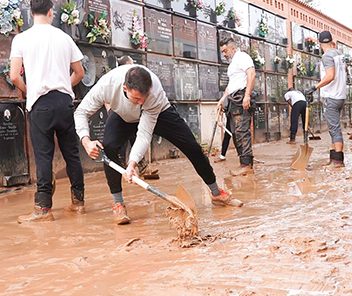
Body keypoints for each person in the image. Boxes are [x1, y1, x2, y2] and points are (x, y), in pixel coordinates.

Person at [75, 65, 242, 225]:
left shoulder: (153, 94)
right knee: (109, 146)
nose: (140, 102)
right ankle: (118, 204)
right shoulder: (107, 85)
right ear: (125, 88)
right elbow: (81, 112)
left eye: (143, 98)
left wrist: (132, 163)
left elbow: (144, 134)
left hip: (159, 112)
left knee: (192, 147)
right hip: (122, 115)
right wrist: (85, 140)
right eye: (136, 98)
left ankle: (216, 192)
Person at [9, 0, 86, 223]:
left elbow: (14, 76)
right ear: (51, 12)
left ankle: (43, 209)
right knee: (71, 153)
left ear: (30, 14)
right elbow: (80, 73)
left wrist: (30, 90)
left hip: (39, 103)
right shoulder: (64, 38)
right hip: (64, 102)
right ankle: (78, 203)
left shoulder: (22, 39)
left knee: (44, 156)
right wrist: (64, 86)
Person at [305, 31, 347, 167]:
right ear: (331, 41)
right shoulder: (339, 55)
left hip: (332, 96)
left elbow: (330, 76)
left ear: (318, 42)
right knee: (334, 127)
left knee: (334, 128)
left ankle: (338, 160)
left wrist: (314, 87)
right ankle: (334, 156)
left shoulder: (327, 56)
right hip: (340, 95)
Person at [217, 37, 257, 176]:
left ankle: (246, 165)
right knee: (235, 133)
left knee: (242, 131)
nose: (224, 54)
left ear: (233, 48)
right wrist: (222, 99)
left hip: (241, 97)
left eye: (225, 51)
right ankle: (244, 164)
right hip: (233, 99)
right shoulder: (232, 64)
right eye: (222, 52)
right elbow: (231, 85)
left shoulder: (242, 57)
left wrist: (247, 95)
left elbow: (251, 74)